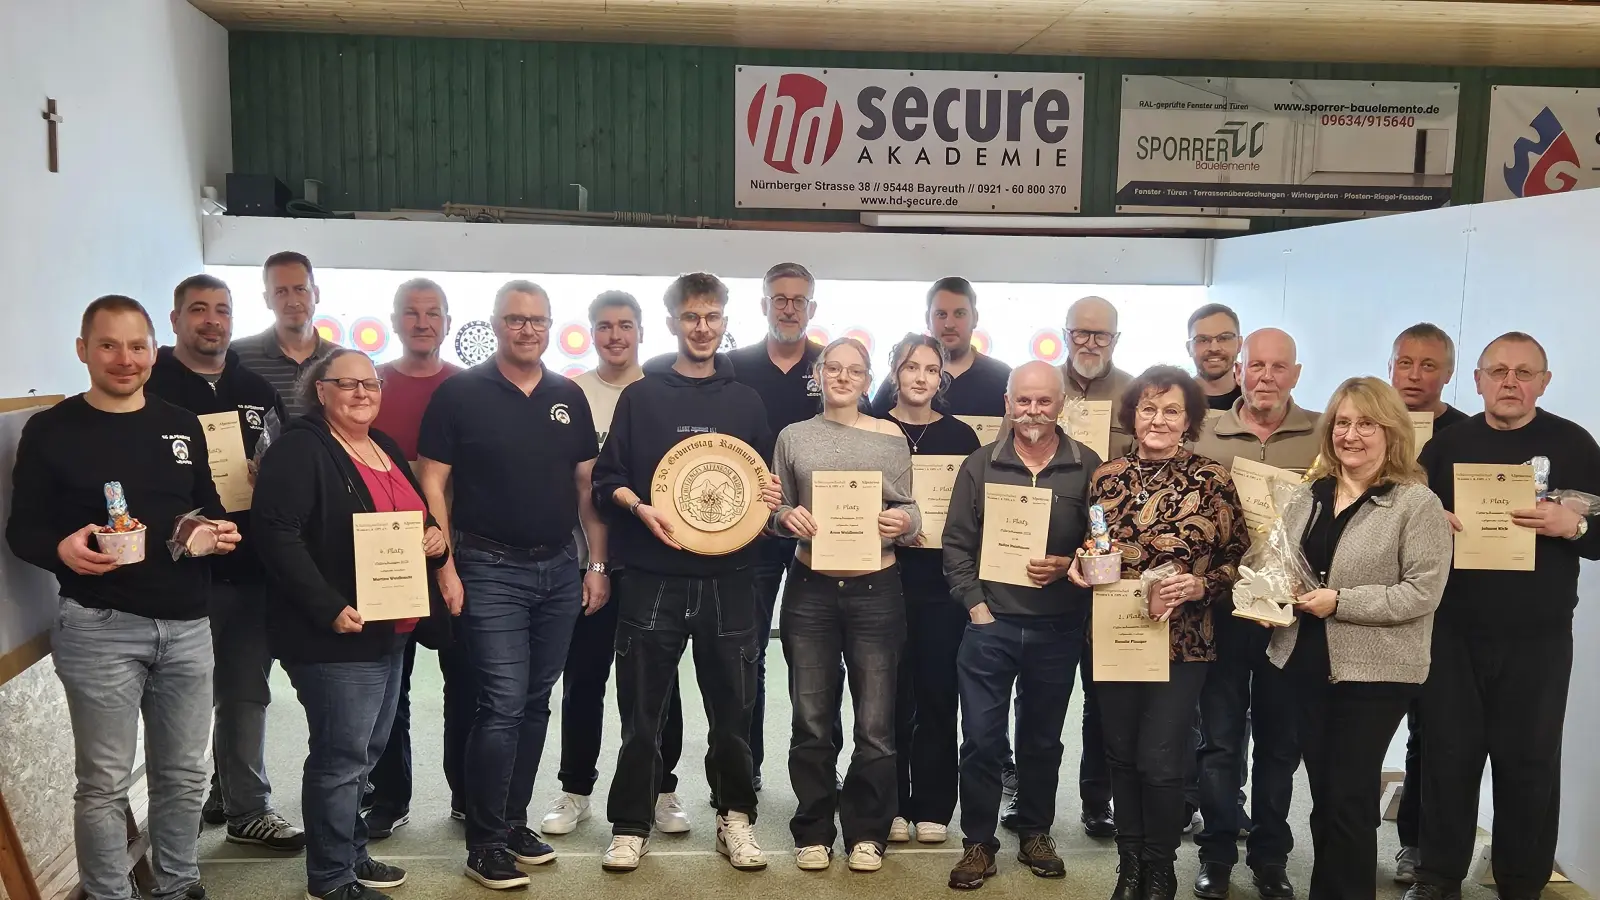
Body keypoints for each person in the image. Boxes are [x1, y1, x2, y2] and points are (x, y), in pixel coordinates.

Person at [7, 296, 242, 900]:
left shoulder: (180, 423)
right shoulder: (51, 430)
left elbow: (204, 506)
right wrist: (61, 550)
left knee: (185, 775)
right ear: (83, 351)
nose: (124, 358)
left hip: (189, 624)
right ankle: (110, 894)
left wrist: (212, 532)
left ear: (154, 352)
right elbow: (22, 530)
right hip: (99, 626)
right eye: (108, 345)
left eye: (137, 346)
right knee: (105, 783)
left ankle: (176, 884)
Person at [416, 280, 608, 890]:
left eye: (538, 321)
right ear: (495, 325)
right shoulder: (460, 394)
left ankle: (513, 821)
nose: (527, 330)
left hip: (557, 570)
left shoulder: (567, 395)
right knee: (499, 702)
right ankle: (484, 840)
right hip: (486, 567)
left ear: (550, 327)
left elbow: (585, 488)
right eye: (516, 320)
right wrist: (444, 565)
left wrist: (594, 565)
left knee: (533, 701)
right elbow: (433, 484)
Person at [592, 272, 782, 873]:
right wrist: (638, 506)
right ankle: (630, 823)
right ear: (672, 321)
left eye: (713, 317)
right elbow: (606, 481)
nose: (702, 328)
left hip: (733, 579)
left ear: (726, 321)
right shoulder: (641, 396)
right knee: (641, 712)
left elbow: (760, 489)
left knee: (734, 711)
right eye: (691, 317)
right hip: (652, 577)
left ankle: (736, 818)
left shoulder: (747, 401)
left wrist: (770, 494)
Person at [1408, 333, 1600, 900]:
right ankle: (1438, 876)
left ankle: (1522, 881)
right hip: (1453, 630)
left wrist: (1579, 527)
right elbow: (1404, 522)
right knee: (1447, 755)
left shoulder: (1576, 445)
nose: (1509, 382)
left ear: (1544, 381)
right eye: (1497, 371)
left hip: (1537, 638)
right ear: (1477, 381)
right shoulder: (1444, 448)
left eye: (1522, 372)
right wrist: (1428, 521)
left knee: (1530, 762)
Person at [253, 349, 449, 900]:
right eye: (348, 383)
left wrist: (433, 536)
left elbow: (409, 514)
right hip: (335, 631)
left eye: (371, 383)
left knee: (365, 751)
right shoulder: (300, 449)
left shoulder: (381, 445)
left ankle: (351, 854)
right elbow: (277, 535)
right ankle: (330, 878)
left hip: (391, 626)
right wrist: (326, 604)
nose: (363, 393)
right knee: (340, 758)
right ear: (321, 391)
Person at [1263, 377, 1451, 900]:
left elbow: (1421, 593)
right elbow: (1288, 567)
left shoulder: (1417, 504)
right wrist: (1269, 600)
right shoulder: (1309, 495)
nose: (1352, 434)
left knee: (1347, 799)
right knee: (1326, 797)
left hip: (1374, 674)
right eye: (1342, 422)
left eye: (1366, 423)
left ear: (1391, 431)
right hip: (1303, 664)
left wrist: (1340, 601)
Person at [1070, 366, 1249, 900]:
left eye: (1172, 410)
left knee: (1162, 758)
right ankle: (1130, 868)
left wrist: (1200, 586)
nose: (1158, 419)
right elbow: (1095, 550)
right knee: (1120, 755)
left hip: (1184, 642)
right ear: (1132, 415)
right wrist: (1083, 566)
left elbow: (1240, 559)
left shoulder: (1211, 478)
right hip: (1115, 636)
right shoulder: (1106, 476)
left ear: (1189, 419)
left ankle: (1161, 865)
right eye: (1148, 408)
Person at [144, 275, 303, 852]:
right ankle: (176, 820)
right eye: (199, 310)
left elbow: (280, 462)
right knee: (176, 701)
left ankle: (247, 807)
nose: (211, 321)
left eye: (222, 310)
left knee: (245, 690)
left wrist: (274, 483)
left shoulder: (256, 389)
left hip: (249, 568)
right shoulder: (150, 384)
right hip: (174, 574)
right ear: (176, 318)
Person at [941, 361, 1098, 890]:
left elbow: (1101, 547)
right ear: (1008, 403)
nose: (1033, 412)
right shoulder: (980, 465)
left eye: (1044, 402)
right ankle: (979, 843)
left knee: (1042, 740)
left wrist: (1069, 563)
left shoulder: (1089, 467)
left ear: (1061, 405)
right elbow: (957, 546)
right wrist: (975, 608)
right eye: (1023, 401)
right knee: (982, 740)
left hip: (1058, 628)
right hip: (992, 627)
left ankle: (1034, 831)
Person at [770, 338, 920, 873]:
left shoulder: (890, 438)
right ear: (818, 373)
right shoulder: (792, 438)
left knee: (875, 725)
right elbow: (775, 510)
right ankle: (812, 827)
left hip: (877, 591)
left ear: (866, 378)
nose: (842, 376)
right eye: (832, 367)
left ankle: (867, 832)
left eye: (854, 370)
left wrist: (903, 523)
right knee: (811, 718)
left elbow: (912, 513)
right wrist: (786, 518)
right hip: (810, 588)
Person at [543, 291, 689, 837]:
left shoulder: (663, 395)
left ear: (642, 331)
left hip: (655, 565)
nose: (615, 336)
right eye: (604, 326)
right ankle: (575, 788)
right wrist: (595, 566)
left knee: (659, 684)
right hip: (589, 568)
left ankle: (662, 788)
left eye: (625, 326)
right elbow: (582, 485)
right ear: (591, 332)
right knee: (585, 679)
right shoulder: (571, 393)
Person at [1190, 328, 1319, 900]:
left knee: (1277, 745)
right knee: (1217, 743)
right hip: (1221, 613)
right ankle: (1216, 853)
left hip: (1292, 621)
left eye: (1278, 367)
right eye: (1256, 366)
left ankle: (1270, 857)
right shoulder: (1206, 434)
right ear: (1239, 371)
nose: (1266, 376)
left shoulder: (1324, 435)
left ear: (1295, 373)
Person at [363, 278, 467, 837]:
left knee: (466, 682)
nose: (422, 322)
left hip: (455, 554)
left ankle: (467, 795)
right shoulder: (371, 385)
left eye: (433, 313)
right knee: (390, 686)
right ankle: (389, 797)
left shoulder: (469, 386)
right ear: (396, 320)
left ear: (448, 322)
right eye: (412, 313)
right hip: (385, 560)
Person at [727, 262, 824, 795]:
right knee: (749, 651)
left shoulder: (831, 367)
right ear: (763, 304)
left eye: (799, 299)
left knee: (814, 653)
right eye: (779, 298)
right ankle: (750, 766)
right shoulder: (733, 366)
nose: (789, 306)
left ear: (813, 308)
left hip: (822, 533)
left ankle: (816, 763)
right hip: (754, 534)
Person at [1038, 294, 1130, 841]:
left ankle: (1098, 800)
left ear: (1117, 340)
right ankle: (1028, 800)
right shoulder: (1041, 386)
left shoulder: (1136, 393)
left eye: (1102, 335)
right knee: (1039, 695)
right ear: (1065, 332)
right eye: (1080, 333)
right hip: (1040, 561)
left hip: (1105, 561)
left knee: (1103, 695)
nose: (1090, 343)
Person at [883, 334, 981, 846]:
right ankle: (893, 804)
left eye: (930, 369)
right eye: (910, 367)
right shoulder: (874, 429)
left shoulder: (962, 436)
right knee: (889, 696)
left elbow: (971, 517)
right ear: (895, 371)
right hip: (882, 578)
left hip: (942, 584)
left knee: (940, 693)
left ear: (941, 376)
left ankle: (935, 804)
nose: (920, 377)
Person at [1384, 322, 1468, 883]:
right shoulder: (1367, 423)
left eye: (1429, 365)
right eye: (1406, 362)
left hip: (1442, 605)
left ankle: (1414, 843)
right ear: (1390, 364)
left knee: (1430, 730)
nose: (1415, 375)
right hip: (1365, 599)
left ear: (1449, 373)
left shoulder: (1465, 436)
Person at [869, 277, 1011, 417]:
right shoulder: (903, 378)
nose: (949, 324)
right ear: (927, 320)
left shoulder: (1003, 378)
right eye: (941, 314)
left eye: (960, 314)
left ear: (975, 318)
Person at [232, 251, 340, 418]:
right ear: (267, 299)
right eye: (281, 292)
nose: (293, 302)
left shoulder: (340, 360)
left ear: (316, 294)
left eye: (300, 289)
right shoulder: (238, 357)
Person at [1188, 304, 1244, 411]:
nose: (1214, 348)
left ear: (1240, 344)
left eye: (1224, 338)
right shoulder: (1173, 400)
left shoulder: (1254, 402)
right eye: (1202, 340)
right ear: (1189, 348)